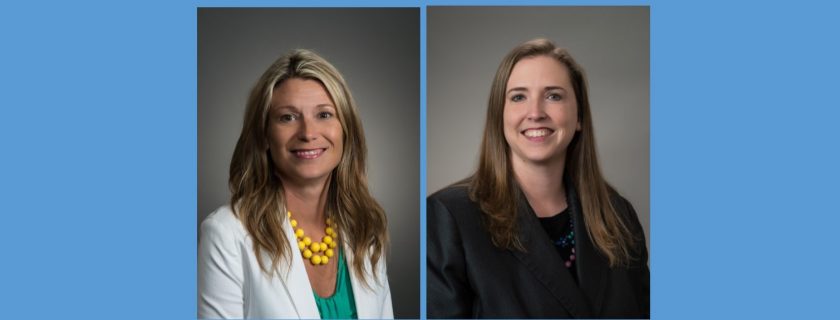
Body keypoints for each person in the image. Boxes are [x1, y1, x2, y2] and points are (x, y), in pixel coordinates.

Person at [427, 39, 649, 318]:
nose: (535, 113)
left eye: (553, 96)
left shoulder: (619, 216)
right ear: (500, 116)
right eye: (519, 97)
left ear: (578, 116)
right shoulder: (448, 219)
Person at [198, 49, 392, 319]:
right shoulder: (226, 235)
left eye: (324, 115)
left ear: (346, 129)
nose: (308, 133)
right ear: (264, 135)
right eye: (287, 117)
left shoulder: (365, 230)